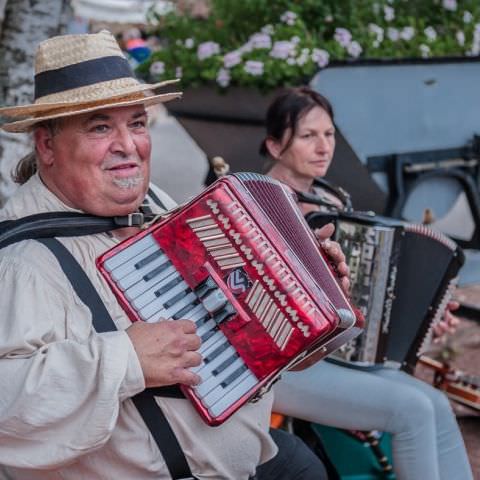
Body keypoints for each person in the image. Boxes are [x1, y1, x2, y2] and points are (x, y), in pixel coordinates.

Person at [0, 32, 343, 479]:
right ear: (46, 145)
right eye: (101, 127)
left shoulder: (158, 205)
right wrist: (125, 360)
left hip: (246, 458)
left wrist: (312, 307)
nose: (128, 145)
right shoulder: (22, 264)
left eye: (138, 123)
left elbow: (236, 329)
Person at [260, 86, 474, 480]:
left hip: (341, 356)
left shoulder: (333, 203)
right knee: (413, 411)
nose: (324, 146)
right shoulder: (263, 206)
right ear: (275, 146)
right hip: (282, 364)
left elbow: (372, 303)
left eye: (329, 134)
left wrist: (424, 318)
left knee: (437, 406)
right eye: (309, 136)